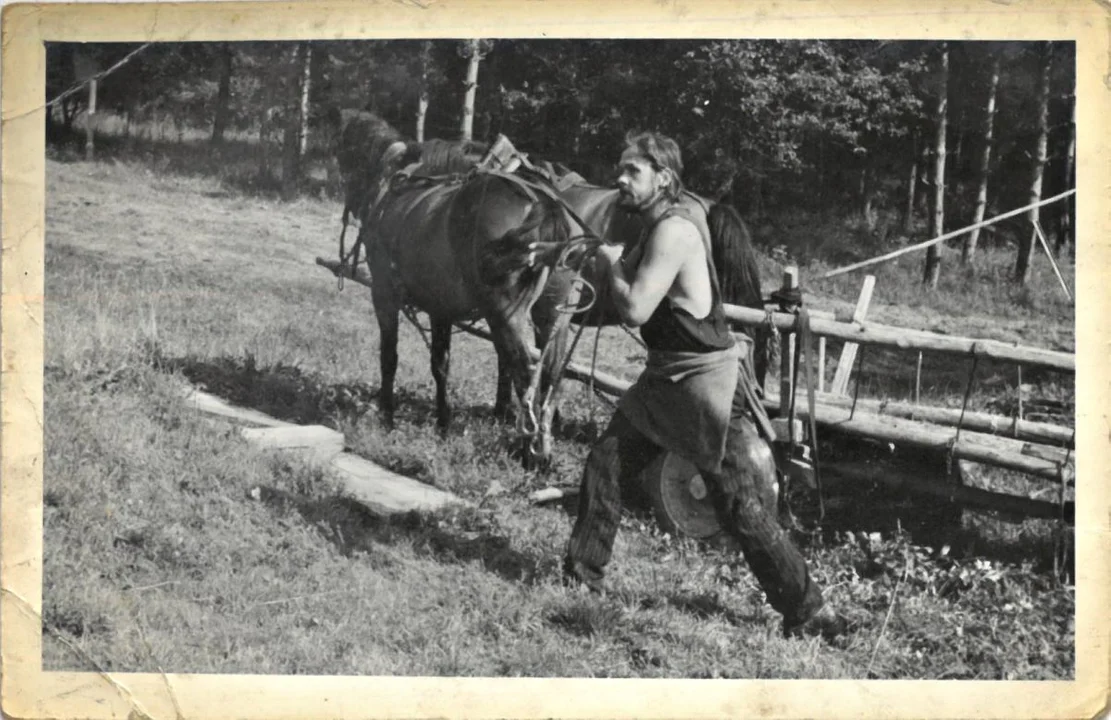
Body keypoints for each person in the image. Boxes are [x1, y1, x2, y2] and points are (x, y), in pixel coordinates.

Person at [562, 131, 848, 640]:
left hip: (703, 383)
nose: (619, 179)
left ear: (664, 179)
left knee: (737, 501)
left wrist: (608, 264)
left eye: (632, 171)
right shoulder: (654, 226)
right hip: (668, 375)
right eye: (620, 169)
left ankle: (809, 611)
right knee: (606, 462)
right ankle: (581, 580)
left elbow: (633, 308)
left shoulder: (673, 232)